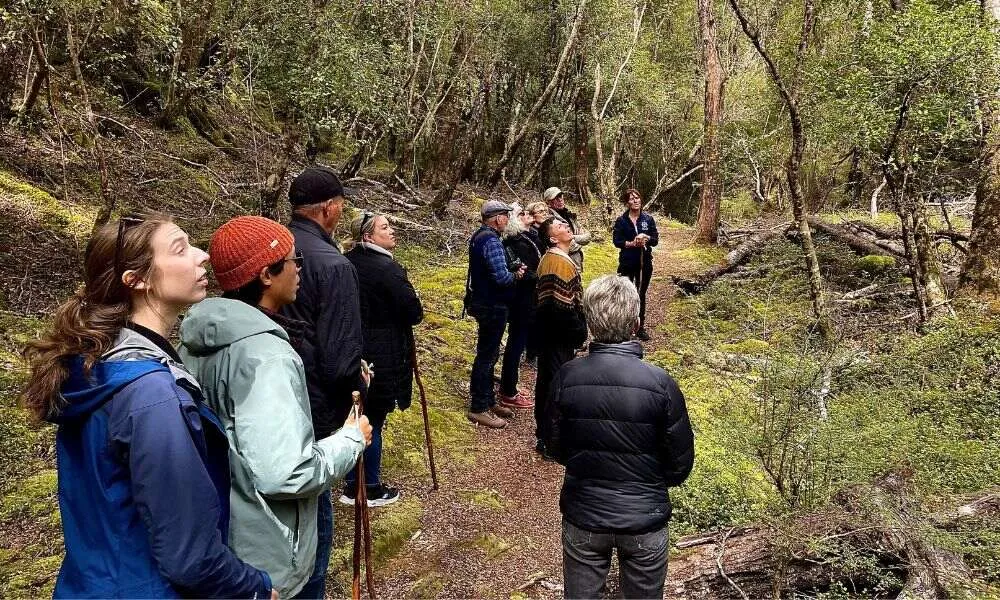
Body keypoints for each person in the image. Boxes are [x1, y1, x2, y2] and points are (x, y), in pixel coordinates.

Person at [21, 214, 276, 598]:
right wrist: (254, 587)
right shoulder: (151, 395)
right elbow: (190, 556)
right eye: (180, 249)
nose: (202, 255)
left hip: (93, 583)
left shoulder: (97, 364)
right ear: (136, 280)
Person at [179, 216, 373, 598]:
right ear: (267, 275)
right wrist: (351, 439)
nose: (300, 268)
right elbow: (287, 474)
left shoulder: (199, 337)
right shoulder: (267, 357)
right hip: (270, 553)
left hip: (224, 531)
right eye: (293, 260)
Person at [547, 275, 695, 600]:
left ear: (590, 323)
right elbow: (680, 465)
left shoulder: (567, 376)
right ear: (635, 324)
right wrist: (646, 481)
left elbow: (554, 446)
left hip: (584, 513)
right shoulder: (661, 383)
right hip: (645, 518)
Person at [279, 165, 368, 597]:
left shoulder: (274, 248)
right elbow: (339, 359)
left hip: (270, 393)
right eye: (341, 206)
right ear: (330, 208)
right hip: (312, 403)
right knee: (314, 515)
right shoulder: (334, 265)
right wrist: (360, 385)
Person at [342, 212, 424, 507]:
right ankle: (367, 488)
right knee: (373, 416)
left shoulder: (345, 262)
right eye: (385, 227)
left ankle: (353, 479)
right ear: (367, 236)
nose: (392, 231)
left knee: (355, 413)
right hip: (381, 350)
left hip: (349, 347)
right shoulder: (387, 268)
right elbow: (413, 311)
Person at [464, 199, 527, 428]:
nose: (508, 220)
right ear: (498, 218)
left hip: (484, 302)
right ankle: (479, 407)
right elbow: (501, 278)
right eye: (506, 216)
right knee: (487, 356)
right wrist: (517, 274)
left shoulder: (479, 236)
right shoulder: (491, 241)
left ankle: (488, 400)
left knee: (488, 354)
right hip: (492, 305)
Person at [532, 217, 587, 458]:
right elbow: (561, 307)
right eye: (559, 226)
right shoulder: (558, 262)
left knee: (547, 381)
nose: (566, 226)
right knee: (556, 384)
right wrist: (578, 331)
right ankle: (551, 440)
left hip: (549, 332)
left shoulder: (554, 258)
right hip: (557, 334)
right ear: (553, 238)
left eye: (565, 224)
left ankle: (545, 436)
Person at [498, 204, 542, 408]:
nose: (527, 215)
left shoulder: (526, 237)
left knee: (518, 343)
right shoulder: (513, 242)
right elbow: (522, 273)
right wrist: (541, 276)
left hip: (527, 299)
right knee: (515, 345)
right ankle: (508, 391)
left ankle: (510, 385)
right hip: (521, 300)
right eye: (521, 214)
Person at [612, 188, 659, 341]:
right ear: (627, 203)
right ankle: (623, 326)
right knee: (624, 293)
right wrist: (632, 243)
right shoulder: (621, 220)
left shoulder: (648, 219)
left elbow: (655, 240)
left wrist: (646, 237)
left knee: (640, 293)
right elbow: (617, 241)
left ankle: (640, 327)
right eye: (631, 199)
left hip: (644, 262)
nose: (635, 200)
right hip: (627, 262)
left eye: (637, 197)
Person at [542, 187, 591, 271]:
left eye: (561, 196)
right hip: (563, 264)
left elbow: (588, 236)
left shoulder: (569, 214)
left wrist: (571, 238)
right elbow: (570, 247)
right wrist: (578, 239)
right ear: (548, 203)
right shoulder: (550, 221)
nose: (560, 200)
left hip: (576, 262)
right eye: (556, 198)